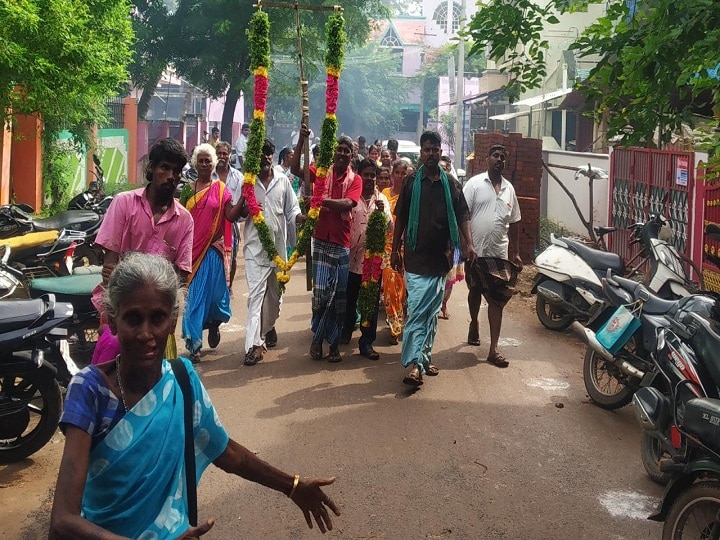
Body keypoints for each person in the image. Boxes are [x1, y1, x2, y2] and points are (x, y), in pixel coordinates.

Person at [49, 253, 340, 539]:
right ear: (113, 322)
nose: (146, 333)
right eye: (133, 319)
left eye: (158, 318)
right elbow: (63, 520)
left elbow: (226, 452)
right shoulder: (90, 390)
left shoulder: (180, 379)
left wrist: (292, 486)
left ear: (173, 320)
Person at [90, 137, 193, 365]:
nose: (171, 177)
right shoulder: (124, 203)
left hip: (157, 319)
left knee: (158, 382)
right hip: (123, 312)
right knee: (110, 374)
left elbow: (180, 278)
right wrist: (107, 320)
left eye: (176, 171)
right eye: (164, 168)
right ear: (151, 169)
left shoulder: (185, 220)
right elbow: (110, 266)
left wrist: (169, 327)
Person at [390, 131, 475, 387]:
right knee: (416, 312)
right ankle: (414, 365)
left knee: (430, 314)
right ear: (421, 152)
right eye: (426, 149)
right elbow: (401, 218)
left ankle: (425, 358)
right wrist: (395, 250)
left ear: (440, 152)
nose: (430, 153)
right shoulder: (411, 182)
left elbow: (462, 214)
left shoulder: (450, 183)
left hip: (441, 260)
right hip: (416, 260)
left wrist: (469, 244)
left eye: (434, 149)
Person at [296, 124, 362, 363]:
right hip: (322, 241)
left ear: (352, 155)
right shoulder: (322, 173)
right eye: (339, 150)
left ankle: (329, 342)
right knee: (322, 295)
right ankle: (322, 340)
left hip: (342, 244)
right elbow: (296, 169)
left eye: (347, 150)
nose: (342, 153)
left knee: (339, 297)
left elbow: (347, 204)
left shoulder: (356, 180)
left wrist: (319, 201)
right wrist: (301, 141)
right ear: (333, 153)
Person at [180, 143, 245, 363]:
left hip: (214, 251)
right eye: (202, 160)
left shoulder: (221, 189)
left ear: (214, 163)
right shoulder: (188, 190)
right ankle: (194, 344)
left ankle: (214, 324)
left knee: (216, 297)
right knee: (196, 298)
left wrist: (245, 198)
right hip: (192, 253)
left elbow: (231, 216)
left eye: (209, 160)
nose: (205, 164)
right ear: (195, 163)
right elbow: (179, 221)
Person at [241, 139, 303, 366]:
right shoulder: (247, 183)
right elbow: (238, 215)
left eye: (269, 153)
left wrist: (300, 218)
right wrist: (243, 204)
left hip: (278, 249)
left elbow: (291, 209)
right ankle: (254, 345)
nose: (266, 158)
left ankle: (268, 327)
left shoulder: (282, 181)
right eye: (262, 154)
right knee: (256, 296)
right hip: (254, 250)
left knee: (274, 297)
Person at [462, 144, 522, 368]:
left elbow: (514, 221)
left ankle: (493, 350)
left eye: (502, 157)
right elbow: (463, 214)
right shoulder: (475, 184)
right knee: (475, 290)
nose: (499, 160)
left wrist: (515, 253)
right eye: (495, 156)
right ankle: (474, 323)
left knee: (497, 300)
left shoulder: (509, 189)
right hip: (475, 252)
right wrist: (467, 244)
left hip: (499, 254)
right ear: (487, 159)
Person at [340, 158, 393, 360]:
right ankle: (346, 329)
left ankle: (366, 342)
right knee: (350, 299)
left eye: (373, 175)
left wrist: (382, 213)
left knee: (369, 303)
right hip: (351, 260)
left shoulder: (382, 200)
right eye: (366, 174)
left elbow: (390, 228)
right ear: (359, 175)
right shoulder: (351, 198)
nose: (370, 178)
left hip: (372, 264)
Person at [381, 159, 408, 345]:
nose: (400, 176)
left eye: (403, 173)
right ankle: (394, 327)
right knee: (390, 286)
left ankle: (401, 319)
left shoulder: (410, 196)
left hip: (406, 248)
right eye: (397, 172)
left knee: (402, 290)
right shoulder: (383, 194)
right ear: (392, 174)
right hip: (386, 248)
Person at [214, 141, 244, 295]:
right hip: (211, 222)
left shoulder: (238, 177)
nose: (222, 156)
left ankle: (229, 286)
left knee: (231, 256)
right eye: (219, 153)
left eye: (225, 153)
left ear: (229, 155)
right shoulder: (209, 174)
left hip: (231, 223)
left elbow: (239, 201)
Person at [438, 155, 465, 320]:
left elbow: (463, 215)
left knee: (450, 276)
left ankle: (444, 304)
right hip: (436, 242)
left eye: (446, 169)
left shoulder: (456, 190)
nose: (443, 172)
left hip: (452, 241)